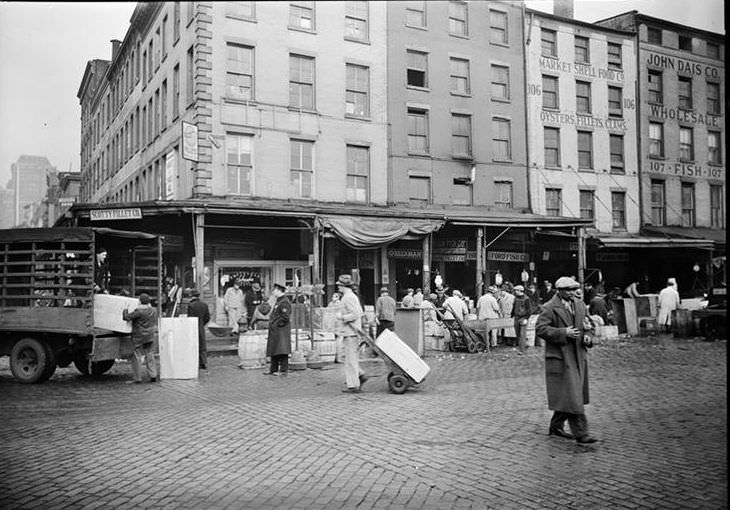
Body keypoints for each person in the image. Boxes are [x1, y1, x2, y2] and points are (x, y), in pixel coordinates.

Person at [536, 276, 598, 445]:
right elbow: (541, 329)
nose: (572, 293)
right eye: (568, 290)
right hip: (561, 357)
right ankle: (581, 433)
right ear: (559, 291)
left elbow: (589, 325)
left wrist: (588, 337)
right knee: (573, 395)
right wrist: (563, 332)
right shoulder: (549, 307)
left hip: (578, 355)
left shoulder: (580, 305)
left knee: (570, 394)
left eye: (574, 289)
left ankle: (556, 426)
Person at [335, 275, 368, 393]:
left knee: (350, 359)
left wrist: (342, 317)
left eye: (339, 285)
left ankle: (354, 385)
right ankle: (360, 375)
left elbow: (355, 314)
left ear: (344, 286)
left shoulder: (348, 297)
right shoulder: (350, 296)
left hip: (351, 333)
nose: (338, 287)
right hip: (349, 332)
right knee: (348, 358)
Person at [122, 293, 158, 383]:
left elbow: (126, 317)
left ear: (140, 302)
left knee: (137, 356)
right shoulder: (154, 310)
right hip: (150, 336)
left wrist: (125, 308)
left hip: (139, 336)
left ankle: (137, 378)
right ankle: (153, 375)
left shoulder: (138, 312)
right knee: (149, 354)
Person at [264, 283, 292, 376]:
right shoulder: (278, 301)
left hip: (281, 331)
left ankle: (283, 370)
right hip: (276, 330)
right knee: (274, 349)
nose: (273, 291)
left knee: (282, 350)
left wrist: (276, 324)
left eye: (274, 290)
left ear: (279, 291)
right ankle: (273, 369)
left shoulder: (284, 302)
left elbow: (285, 317)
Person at [187, 289, 211, 370]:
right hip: (201, 326)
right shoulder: (204, 305)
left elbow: (189, 317)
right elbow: (207, 317)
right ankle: (203, 362)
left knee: (193, 344)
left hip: (193, 327)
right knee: (202, 345)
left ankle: (194, 361)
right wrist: (202, 324)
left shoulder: (191, 305)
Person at [512, 285, 531, 353]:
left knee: (522, 334)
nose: (515, 291)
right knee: (518, 334)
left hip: (523, 317)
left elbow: (529, 310)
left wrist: (526, 318)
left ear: (520, 291)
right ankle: (524, 345)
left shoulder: (526, 299)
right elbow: (514, 307)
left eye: (516, 290)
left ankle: (521, 350)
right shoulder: (515, 298)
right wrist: (512, 315)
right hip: (516, 317)